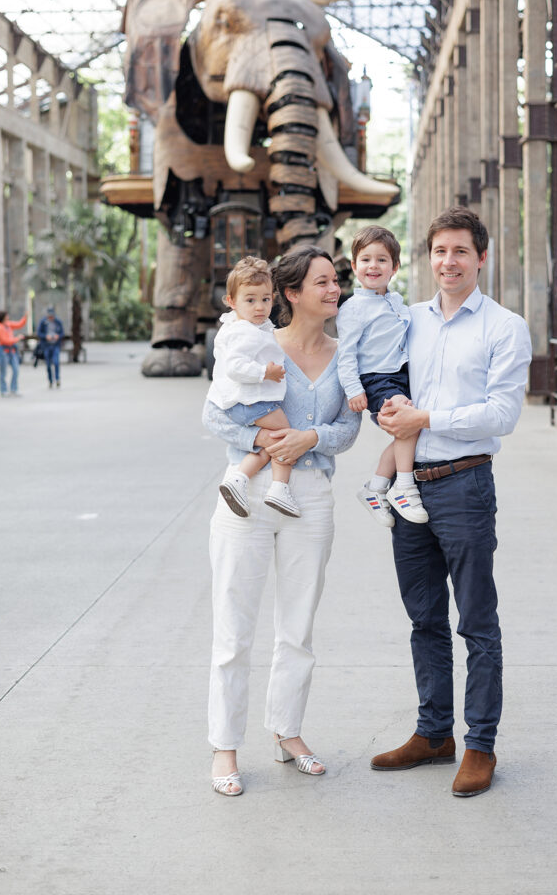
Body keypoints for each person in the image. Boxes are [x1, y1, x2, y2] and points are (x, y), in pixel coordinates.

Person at [371, 207, 532, 798]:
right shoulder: (407, 319)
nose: (449, 262)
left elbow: (502, 414)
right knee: (423, 618)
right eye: (439, 251)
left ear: (480, 258)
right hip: (408, 487)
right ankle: (434, 733)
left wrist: (426, 417)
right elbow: (373, 365)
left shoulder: (504, 327)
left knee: (477, 621)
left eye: (460, 251)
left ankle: (479, 745)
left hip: (465, 485)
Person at [202, 245, 359, 797]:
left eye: (335, 280)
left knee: (297, 628)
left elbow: (348, 427)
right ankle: (225, 747)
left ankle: (287, 731)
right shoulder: (254, 341)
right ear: (291, 294)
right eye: (322, 281)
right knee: (234, 628)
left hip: (310, 495)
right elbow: (213, 412)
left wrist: (311, 436)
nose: (334, 288)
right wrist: (263, 441)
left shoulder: (345, 353)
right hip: (249, 489)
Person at [336, 225, 428, 527]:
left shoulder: (397, 302)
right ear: (354, 266)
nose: (373, 266)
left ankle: (375, 489)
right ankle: (402, 487)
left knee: (408, 429)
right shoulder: (352, 309)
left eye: (381, 260)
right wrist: (354, 389)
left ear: (395, 267)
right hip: (376, 379)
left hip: (401, 376)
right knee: (407, 420)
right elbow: (346, 353)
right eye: (365, 259)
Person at [208, 256, 300, 519]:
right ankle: (279, 488)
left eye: (265, 299)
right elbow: (235, 366)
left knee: (268, 445)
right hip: (251, 402)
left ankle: (239, 480)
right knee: (285, 435)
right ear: (231, 301)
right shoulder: (243, 331)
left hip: (245, 402)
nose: (260, 307)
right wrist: (265, 372)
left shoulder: (247, 326)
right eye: (250, 300)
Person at [0, 310, 27, 397]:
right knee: (3, 372)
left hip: (12, 350)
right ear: (3, 317)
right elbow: (5, 341)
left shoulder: (8, 324)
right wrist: (17, 338)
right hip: (3, 351)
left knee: (16, 370)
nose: (8, 317)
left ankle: (13, 389)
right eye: (6, 316)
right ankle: (3, 390)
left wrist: (25, 317)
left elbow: (19, 324)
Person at [38, 306, 63, 389]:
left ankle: (57, 379)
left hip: (55, 345)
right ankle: (50, 381)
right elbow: (39, 333)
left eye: (52, 316)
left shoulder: (58, 322)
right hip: (46, 346)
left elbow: (62, 333)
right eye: (49, 316)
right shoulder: (43, 322)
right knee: (48, 364)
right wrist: (46, 336)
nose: (51, 317)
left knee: (56, 362)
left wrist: (58, 336)